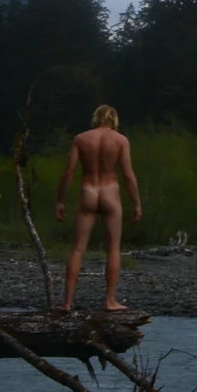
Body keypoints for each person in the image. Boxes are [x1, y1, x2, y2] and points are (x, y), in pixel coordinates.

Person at [57, 104, 142, 311]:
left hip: (89, 191)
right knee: (113, 249)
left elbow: (69, 172)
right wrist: (137, 203)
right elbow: (128, 175)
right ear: (114, 120)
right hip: (110, 192)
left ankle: (67, 303)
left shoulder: (81, 139)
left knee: (77, 250)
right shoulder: (120, 140)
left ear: (96, 118)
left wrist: (60, 200)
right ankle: (110, 301)